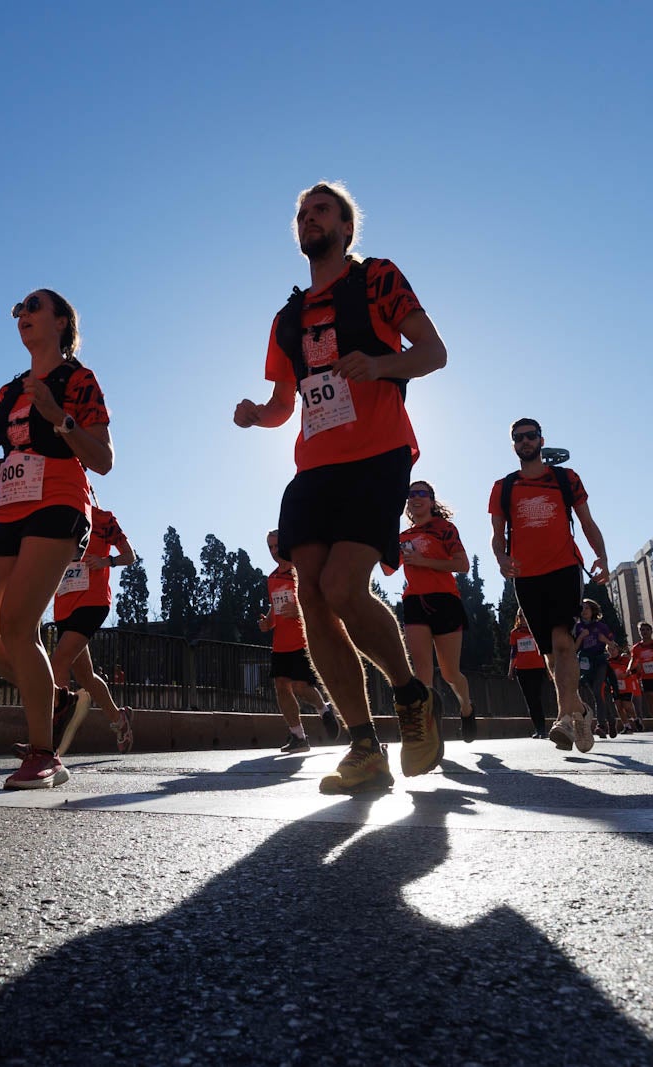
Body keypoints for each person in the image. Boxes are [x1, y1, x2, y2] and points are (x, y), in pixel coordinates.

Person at [233, 181, 448, 794]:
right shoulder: (287, 317)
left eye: (321, 210)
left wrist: (379, 364)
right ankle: (363, 744)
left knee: (342, 586)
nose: (308, 218)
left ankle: (411, 696)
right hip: (313, 468)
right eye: (301, 213)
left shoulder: (377, 278)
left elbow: (433, 353)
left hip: (377, 454)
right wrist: (258, 415)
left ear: (347, 229)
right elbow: (283, 402)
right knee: (312, 601)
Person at [0, 289, 111, 790]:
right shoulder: (9, 391)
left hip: (61, 501)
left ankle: (44, 753)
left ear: (61, 322)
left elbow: (102, 458)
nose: (22, 316)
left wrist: (60, 415)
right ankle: (54, 699)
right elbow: (11, 462)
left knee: (16, 621)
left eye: (33, 307)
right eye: (18, 311)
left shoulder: (79, 380)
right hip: (10, 509)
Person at [489, 419, 609, 753]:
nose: (525, 441)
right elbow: (497, 536)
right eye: (518, 438)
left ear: (541, 440)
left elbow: (586, 521)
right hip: (527, 578)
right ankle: (580, 710)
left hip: (564, 569)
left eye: (530, 436)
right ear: (513, 445)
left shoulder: (565, 478)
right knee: (552, 659)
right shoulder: (504, 487)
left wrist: (601, 556)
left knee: (563, 642)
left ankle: (563, 719)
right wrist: (501, 558)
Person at [47, 503, 136, 756]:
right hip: (64, 605)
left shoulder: (103, 519)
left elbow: (130, 556)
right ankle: (120, 720)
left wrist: (107, 560)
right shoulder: (57, 520)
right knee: (85, 676)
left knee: (58, 662)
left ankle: (49, 743)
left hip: (92, 601)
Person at [392, 480, 475, 741]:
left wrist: (423, 561)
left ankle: (466, 707)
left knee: (450, 672)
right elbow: (387, 567)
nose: (415, 498)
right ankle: (428, 730)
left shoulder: (445, 529)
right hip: (415, 601)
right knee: (422, 670)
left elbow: (462, 565)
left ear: (431, 500)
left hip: (445, 600)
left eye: (421, 493)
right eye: (410, 494)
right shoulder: (402, 537)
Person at [260, 529, 340, 752]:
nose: (274, 551)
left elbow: (320, 602)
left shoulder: (301, 573)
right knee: (281, 687)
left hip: (302, 640)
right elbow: (275, 607)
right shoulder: (273, 578)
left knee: (301, 687)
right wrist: (268, 622)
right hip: (280, 643)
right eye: (270, 547)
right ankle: (298, 737)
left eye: (277, 546)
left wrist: (300, 610)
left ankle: (324, 709)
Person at [573, 599, 618, 740]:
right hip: (586, 664)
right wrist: (581, 637)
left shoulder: (601, 626)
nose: (584, 611)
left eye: (587, 608)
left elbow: (614, 646)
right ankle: (611, 721)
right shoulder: (578, 628)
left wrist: (605, 640)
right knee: (600, 694)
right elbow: (574, 649)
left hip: (600, 661)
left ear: (593, 611)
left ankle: (601, 725)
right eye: (582, 608)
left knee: (599, 690)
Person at [508, 610, 550, 738]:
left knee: (536, 697)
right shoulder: (514, 633)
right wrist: (510, 669)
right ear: (517, 618)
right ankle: (538, 729)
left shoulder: (537, 631)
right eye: (521, 616)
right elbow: (513, 653)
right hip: (522, 669)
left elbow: (545, 651)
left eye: (525, 615)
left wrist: (549, 669)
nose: (523, 618)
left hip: (538, 668)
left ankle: (542, 729)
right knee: (529, 700)